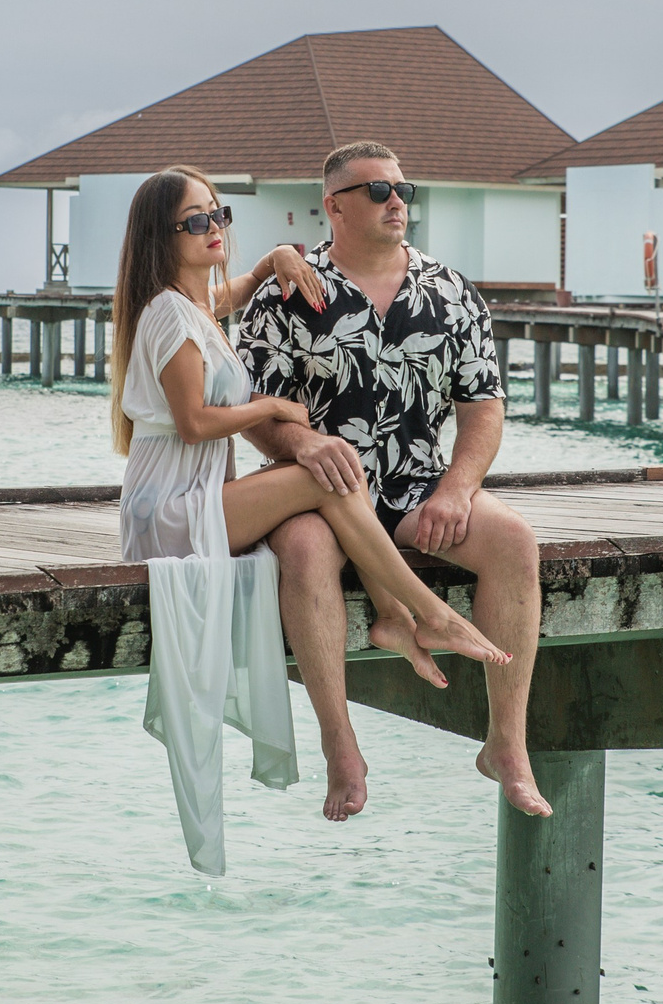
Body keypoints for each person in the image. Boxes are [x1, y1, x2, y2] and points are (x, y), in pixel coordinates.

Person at [235, 142, 551, 821]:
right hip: (314, 490)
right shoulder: (285, 294)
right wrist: (302, 443)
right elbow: (257, 410)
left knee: (515, 541)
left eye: (403, 189)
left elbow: (483, 406)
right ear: (335, 206)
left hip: (416, 485)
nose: (397, 201)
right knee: (306, 550)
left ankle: (506, 744)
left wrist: (458, 487)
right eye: (377, 191)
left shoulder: (450, 291)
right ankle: (340, 745)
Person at [111, 164, 509, 680]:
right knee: (332, 467)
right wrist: (273, 408)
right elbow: (194, 424)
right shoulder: (169, 312)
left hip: (198, 496)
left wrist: (278, 256)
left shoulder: (195, 304)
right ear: (159, 236)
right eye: (196, 221)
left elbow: (243, 287)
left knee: (336, 462)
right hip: (169, 510)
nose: (214, 228)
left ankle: (396, 617)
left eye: (219, 214)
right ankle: (428, 614)